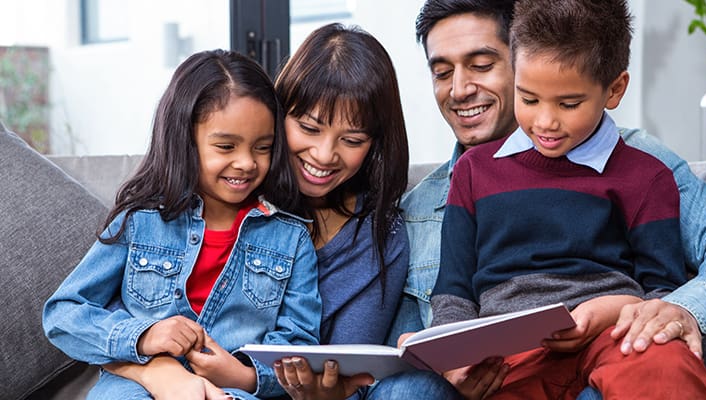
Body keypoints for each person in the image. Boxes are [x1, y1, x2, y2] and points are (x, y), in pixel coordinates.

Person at [391, 0, 706, 398]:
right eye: (442, 72)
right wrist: (451, 351)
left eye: (480, 64)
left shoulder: (646, 170)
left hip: (614, 334)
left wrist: (613, 310)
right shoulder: (466, 177)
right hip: (511, 357)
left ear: (614, 90)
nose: (545, 121)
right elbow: (452, 293)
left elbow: (664, 291)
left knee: (661, 361)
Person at [96, 24, 460, 400]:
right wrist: (161, 374)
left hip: (284, 392)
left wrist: (253, 379)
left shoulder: (381, 233)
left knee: (417, 389)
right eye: (308, 128)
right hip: (188, 382)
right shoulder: (227, 191)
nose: (324, 155)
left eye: (352, 140)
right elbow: (103, 320)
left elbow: (349, 376)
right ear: (276, 114)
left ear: (375, 145)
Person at [42, 49, 322, 400]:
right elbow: (63, 314)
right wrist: (143, 336)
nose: (246, 163)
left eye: (262, 147)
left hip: (231, 389)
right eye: (225, 146)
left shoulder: (291, 238)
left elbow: (299, 343)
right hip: (137, 384)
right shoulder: (140, 221)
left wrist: (246, 376)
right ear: (184, 141)